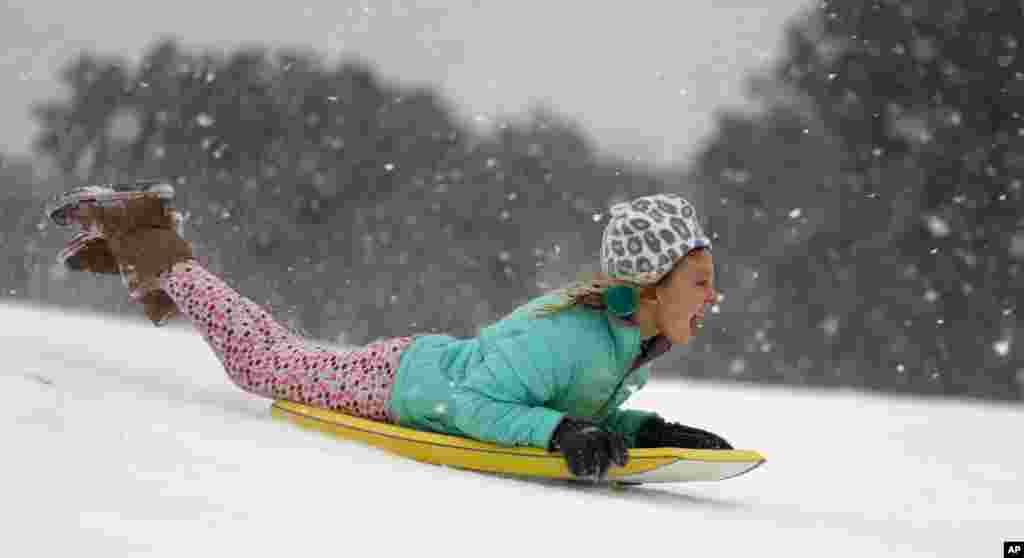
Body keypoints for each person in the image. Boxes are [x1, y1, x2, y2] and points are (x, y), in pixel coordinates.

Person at [48, 184, 732, 480]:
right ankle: (146, 234)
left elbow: (572, 406)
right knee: (259, 361)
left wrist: (647, 430)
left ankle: (143, 253)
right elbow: (472, 406)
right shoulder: (574, 337)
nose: (713, 295)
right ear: (651, 284)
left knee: (274, 350)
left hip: (413, 372)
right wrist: (558, 435)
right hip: (400, 384)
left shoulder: (622, 344)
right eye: (699, 279)